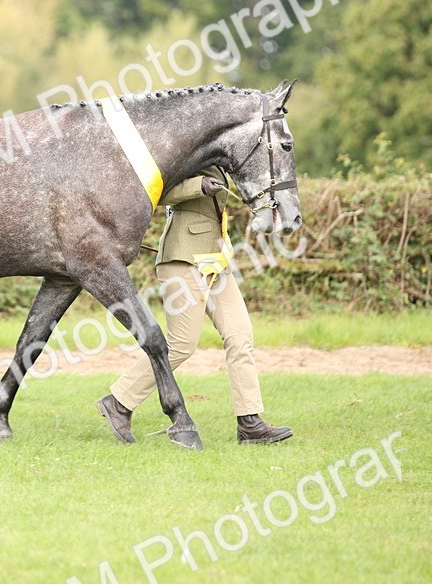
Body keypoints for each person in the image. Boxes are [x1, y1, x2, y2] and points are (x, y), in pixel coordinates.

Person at [95, 167, 293, 446]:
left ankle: (249, 423)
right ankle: (119, 402)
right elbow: (156, 192)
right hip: (183, 259)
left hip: (216, 259)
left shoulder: (222, 156)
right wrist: (196, 186)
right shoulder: (189, 148)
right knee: (181, 344)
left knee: (240, 336)